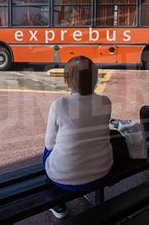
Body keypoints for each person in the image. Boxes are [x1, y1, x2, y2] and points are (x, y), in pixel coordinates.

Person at [43, 56, 113, 219]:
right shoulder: (105, 102)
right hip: (102, 171)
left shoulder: (59, 105)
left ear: (68, 80)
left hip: (64, 178)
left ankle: (57, 204)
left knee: (47, 151)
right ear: (95, 79)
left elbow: (49, 144)